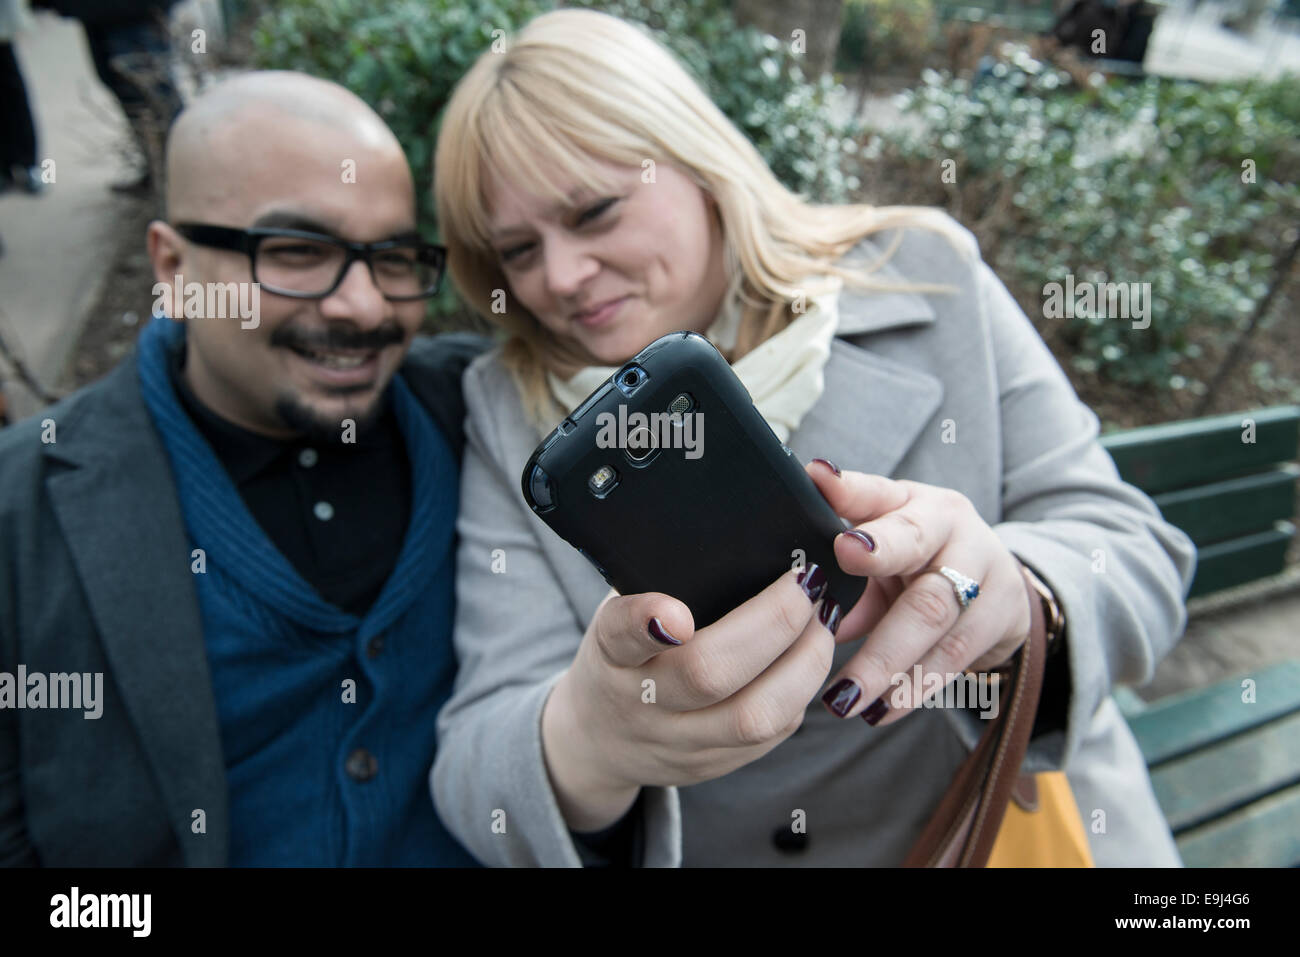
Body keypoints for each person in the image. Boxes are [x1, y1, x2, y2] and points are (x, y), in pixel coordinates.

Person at [429, 8, 1197, 867]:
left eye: (596, 211)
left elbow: (1136, 552)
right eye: (517, 252)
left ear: (699, 161)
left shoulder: (926, 270)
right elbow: (477, 756)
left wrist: (1020, 593)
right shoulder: (508, 410)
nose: (561, 277)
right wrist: (589, 737)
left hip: (1011, 834)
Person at [0, 71, 490, 865]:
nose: (365, 307)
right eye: (297, 252)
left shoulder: (481, 415)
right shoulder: (25, 509)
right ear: (172, 265)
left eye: (394, 256)